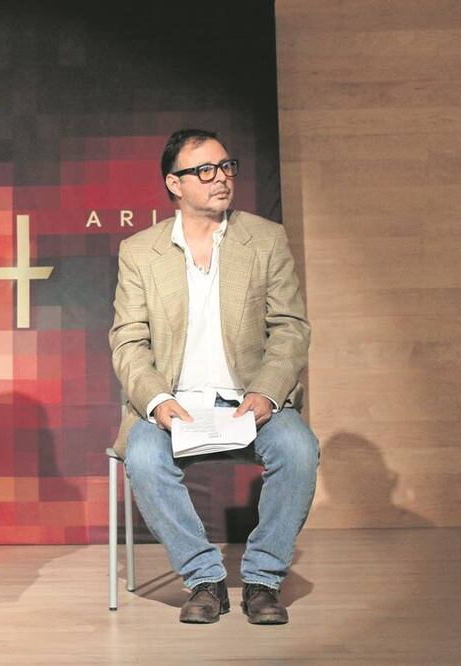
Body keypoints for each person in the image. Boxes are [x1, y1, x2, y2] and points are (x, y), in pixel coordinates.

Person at [109, 129, 319, 625]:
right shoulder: (140, 251)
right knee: (141, 453)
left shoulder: (264, 238)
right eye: (204, 170)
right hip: (174, 403)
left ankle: (263, 582)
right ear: (174, 184)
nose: (220, 178)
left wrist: (267, 392)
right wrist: (157, 400)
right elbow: (128, 341)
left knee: (298, 449)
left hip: (251, 401)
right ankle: (203, 578)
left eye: (226, 167)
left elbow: (290, 327)